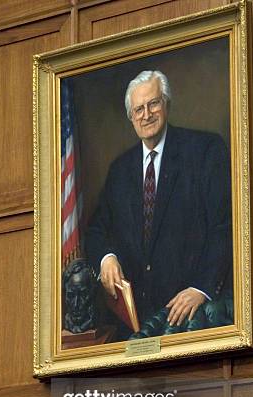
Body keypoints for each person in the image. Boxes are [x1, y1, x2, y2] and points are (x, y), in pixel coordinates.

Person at [86, 70, 232, 333]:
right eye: (138, 109)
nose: (146, 114)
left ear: (167, 104)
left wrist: (202, 288)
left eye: (153, 104)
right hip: (136, 322)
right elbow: (96, 230)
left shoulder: (204, 151)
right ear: (131, 118)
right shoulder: (120, 170)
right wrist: (106, 258)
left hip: (191, 316)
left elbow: (225, 226)